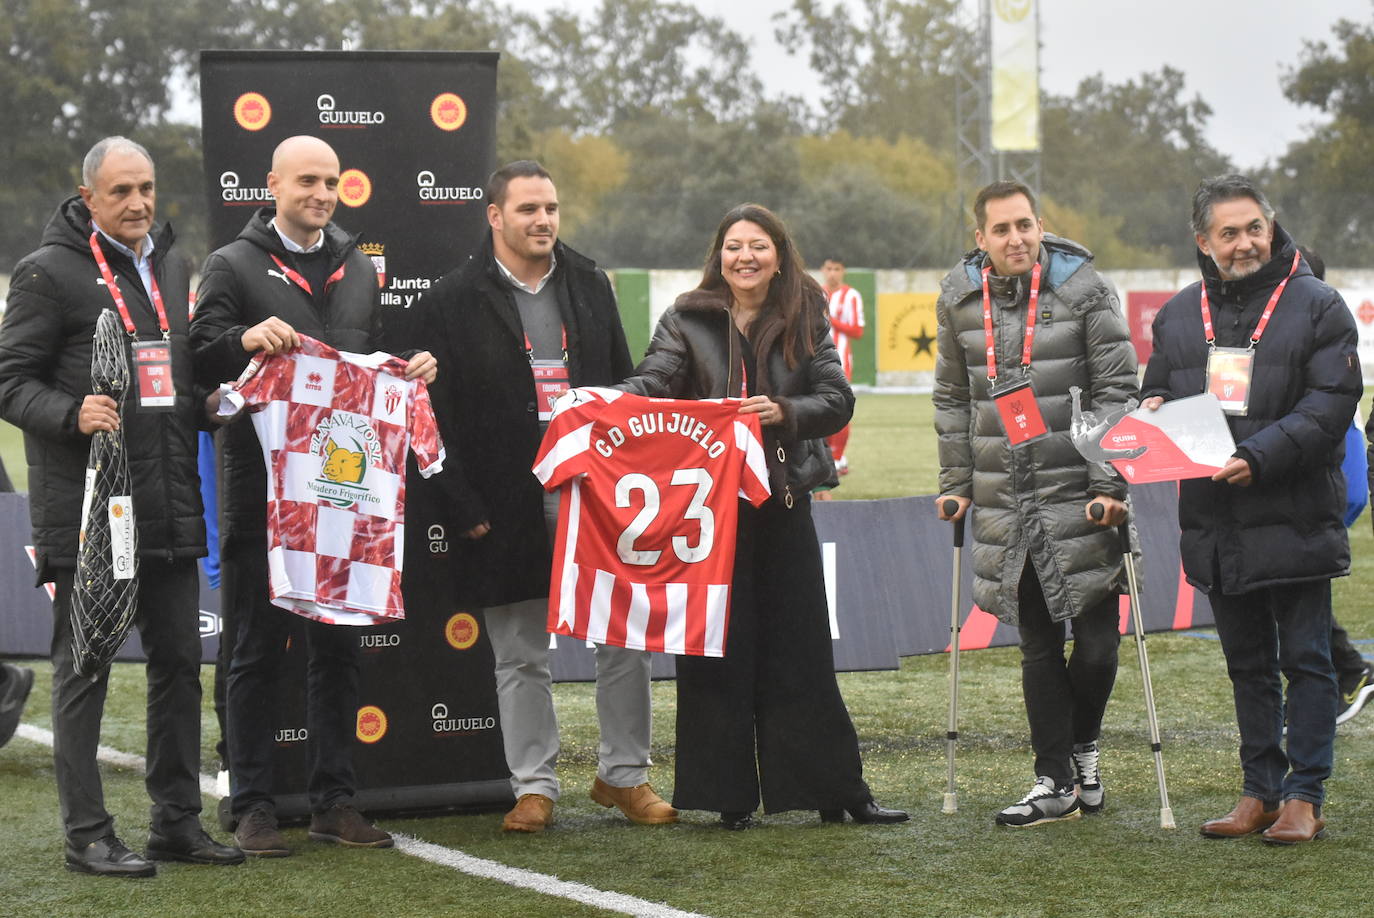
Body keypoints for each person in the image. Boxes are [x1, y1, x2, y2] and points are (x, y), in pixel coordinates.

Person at [618, 203, 907, 829]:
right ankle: (727, 797)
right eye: (733, 246)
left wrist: (783, 412)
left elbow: (836, 399)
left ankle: (836, 792)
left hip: (784, 503)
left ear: (779, 255)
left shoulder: (806, 312)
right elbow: (653, 383)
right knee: (715, 649)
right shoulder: (686, 317)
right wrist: (601, 402)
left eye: (758, 246)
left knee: (802, 651)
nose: (744, 257)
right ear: (718, 255)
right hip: (708, 514)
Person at [0, 136, 242, 875]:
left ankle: (177, 822)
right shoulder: (46, 272)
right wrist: (70, 413)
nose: (138, 204)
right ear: (89, 198)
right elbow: (10, 380)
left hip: (168, 504)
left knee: (179, 666)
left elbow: (171, 383)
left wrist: (212, 406)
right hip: (91, 512)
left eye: (146, 188)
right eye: (121, 192)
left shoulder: (170, 263)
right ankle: (87, 835)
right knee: (86, 669)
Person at [190, 135, 435, 856]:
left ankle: (334, 802)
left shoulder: (357, 266)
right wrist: (242, 338)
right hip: (261, 495)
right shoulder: (231, 264)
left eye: (330, 182)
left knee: (338, 653)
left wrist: (409, 368)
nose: (322, 194)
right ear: (272, 185)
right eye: (307, 181)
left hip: (344, 496)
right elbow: (196, 359)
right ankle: (252, 806)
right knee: (254, 653)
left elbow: (368, 355)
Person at [417, 161, 674, 832]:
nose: (543, 220)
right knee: (519, 654)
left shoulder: (589, 283)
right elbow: (432, 415)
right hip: (505, 500)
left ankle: (625, 776)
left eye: (551, 208)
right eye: (528, 209)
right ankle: (534, 787)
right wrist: (462, 503)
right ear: (495, 217)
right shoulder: (452, 298)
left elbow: (623, 387)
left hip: (595, 493)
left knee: (623, 639)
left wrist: (629, 484)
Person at [1142, 175, 1360, 845]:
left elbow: (1330, 406)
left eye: (1254, 228)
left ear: (1272, 227)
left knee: (1308, 660)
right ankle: (1260, 791)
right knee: (1247, 666)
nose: (1245, 244)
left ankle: (1304, 797)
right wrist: (1150, 410)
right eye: (1229, 233)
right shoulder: (1179, 314)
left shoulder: (1319, 305)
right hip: (1216, 520)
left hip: (1294, 513)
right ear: (1203, 241)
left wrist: (1259, 457)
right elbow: (1158, 387)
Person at [933, 181, 1137, 827]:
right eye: (1002, 229)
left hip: (1080, 497)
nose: (1016, 238)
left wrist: (1107, 486)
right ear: (981, 238)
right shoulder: (959, 300)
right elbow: (952, 398)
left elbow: (1116, 390)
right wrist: (956, 482)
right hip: (1007, 500)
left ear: (1041, 226)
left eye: (1024, 225)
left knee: (1098, 648)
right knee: (1040, 649)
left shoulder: (1085, 290)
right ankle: (1056, 780)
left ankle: (1081, 751)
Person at [1299, 246, 1374, 726]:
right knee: (1292, 592)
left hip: (1327, 487)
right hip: (1336, 483)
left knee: (1290, 593)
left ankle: (1334, 682)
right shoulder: (1324, 328)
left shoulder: (1316, 332)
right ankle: (1347, 670)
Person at [821, 257, 864, 477]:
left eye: (836, 269)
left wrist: (831, 320)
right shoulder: (816, 293)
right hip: (815, 360)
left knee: (840, 407)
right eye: (829, 269)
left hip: (841, 360)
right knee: (818, 408)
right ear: (823, 270)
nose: (832, 273)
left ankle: (838, 457)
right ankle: (826, 456)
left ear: (843, 271)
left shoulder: (851, 296)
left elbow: (857, 331)